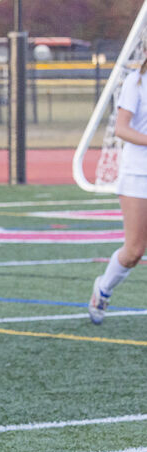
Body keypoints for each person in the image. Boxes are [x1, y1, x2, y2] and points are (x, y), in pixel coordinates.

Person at [89, 61, 147, 323]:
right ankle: (103, 288)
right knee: (134, 251)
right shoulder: (136, 82)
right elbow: (122, 129)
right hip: (138, 174)